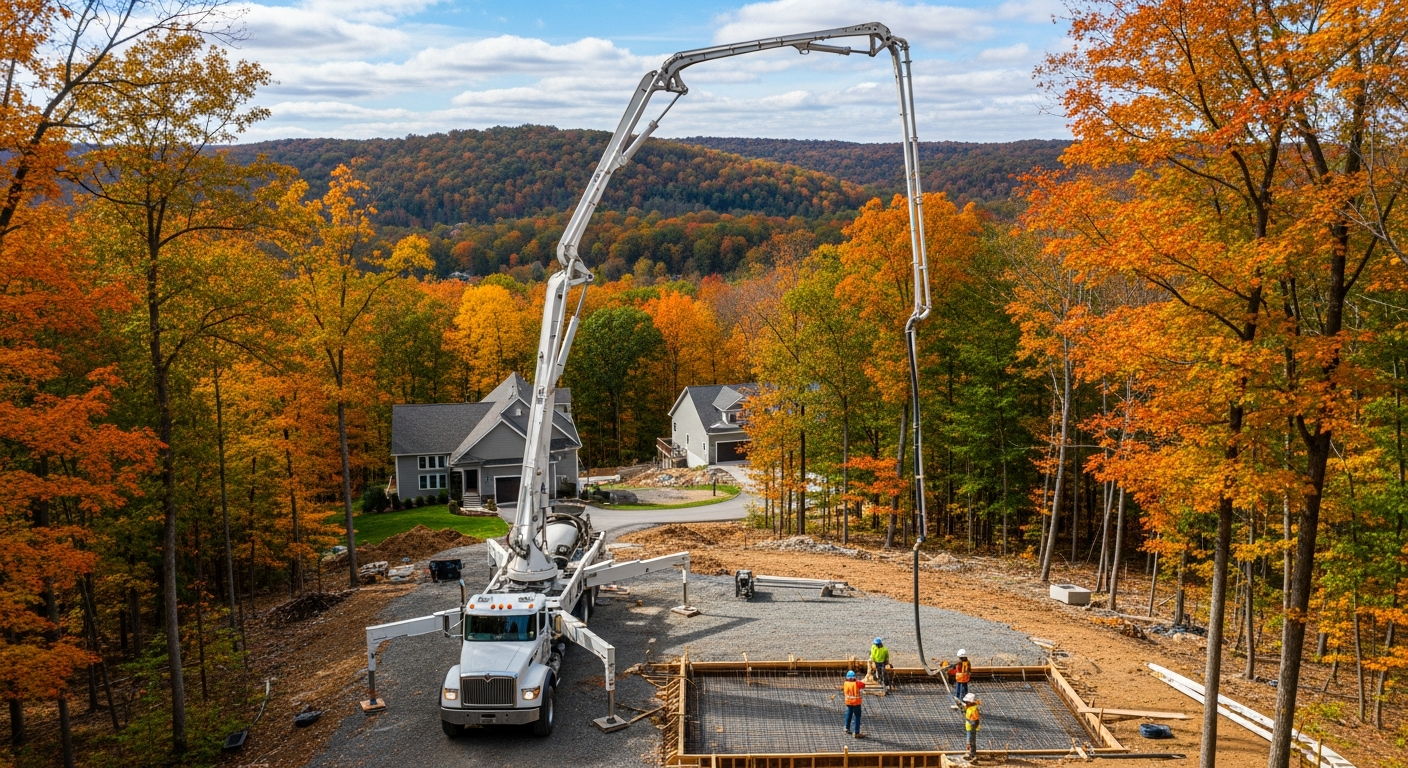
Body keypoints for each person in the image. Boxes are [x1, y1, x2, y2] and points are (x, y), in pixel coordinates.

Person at [842, 670, 866, 738]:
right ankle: (856, 732)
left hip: (848, 703)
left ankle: (846, 728)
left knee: (848, 715)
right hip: (856, 703)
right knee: (857, 717)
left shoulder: (845, 683)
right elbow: (863, 685)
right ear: (854, 677)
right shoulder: (857, 683)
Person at [962, 692, 980, 759]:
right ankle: (970, 753)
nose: (966, 703)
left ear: (970, 702)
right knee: (969, 741)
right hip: (969, 727)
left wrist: (973, 727)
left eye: (967, 702)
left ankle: (972, 755)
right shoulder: (969, 707)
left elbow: (975, 720)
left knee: (971, 741)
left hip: (972, 728)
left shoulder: (973, 710)